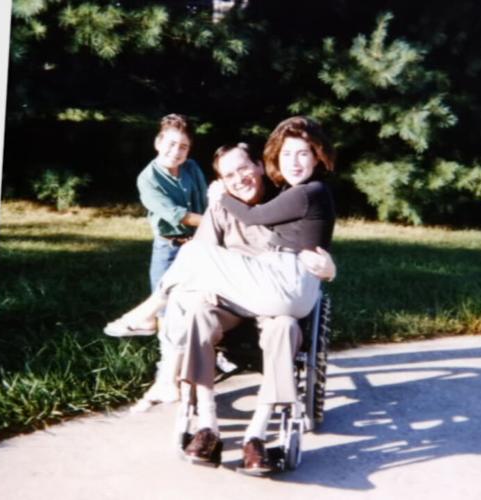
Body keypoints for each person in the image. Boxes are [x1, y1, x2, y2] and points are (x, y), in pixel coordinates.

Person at [106, 116, 336, 469]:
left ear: (259, 166)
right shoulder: (220, 210)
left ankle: (256, 435)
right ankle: (208, 425)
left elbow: (314, 248)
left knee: (285, 326)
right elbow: (200, 262)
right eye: (228, 176)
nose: (239, 179)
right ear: (220, 182)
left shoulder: (288, 194)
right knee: (198, 309)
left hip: (272, 306)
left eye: (244, 169)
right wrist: (201, 289)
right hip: (227, 303)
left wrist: (331, 268)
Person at [105, 116, 335, 331]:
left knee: (194, 253)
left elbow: (253, 217)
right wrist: (330, 270)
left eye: (303, 154)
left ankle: (147, 315)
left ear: (317, 156)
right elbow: (314, 249)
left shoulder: (305, 192)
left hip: (287, 286)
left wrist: (221, 198)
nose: (293, 162)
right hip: (298, 288)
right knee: (192, 270)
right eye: (286, 154)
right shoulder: (306, 192)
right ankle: (158, 326)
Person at [136, 113, 207, 307]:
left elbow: (205, 199)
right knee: (162, 302)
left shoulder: (191, 167)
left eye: (183, 147)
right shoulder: (147, 178)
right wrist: (216, 221)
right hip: (169, 247)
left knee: (199, 298)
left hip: (199, 242)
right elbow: (178, 215)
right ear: (158, 142)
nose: (176, 151)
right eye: (171, 143)